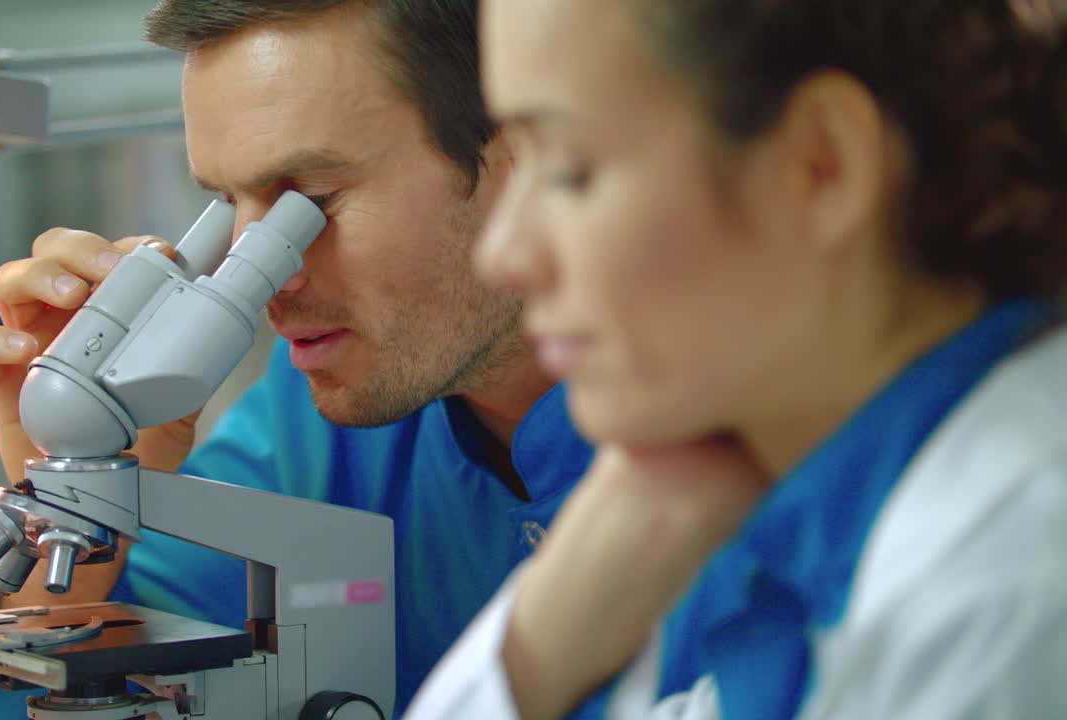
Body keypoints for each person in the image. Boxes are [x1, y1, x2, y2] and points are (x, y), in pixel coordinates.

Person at [405, 0, 1067, 718]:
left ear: (821, 164)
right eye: (515, 163)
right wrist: (553, 623)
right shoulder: (847, 557)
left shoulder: (1001, 591)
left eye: (570, 169)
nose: (502, 254)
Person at [0, 1, 591, 718]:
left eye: (311, 202)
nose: (265, 281)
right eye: (230, 205)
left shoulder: (709, 422)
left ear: (521, 154)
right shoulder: (309, 419)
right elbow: (15, 698)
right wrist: (84, 486)